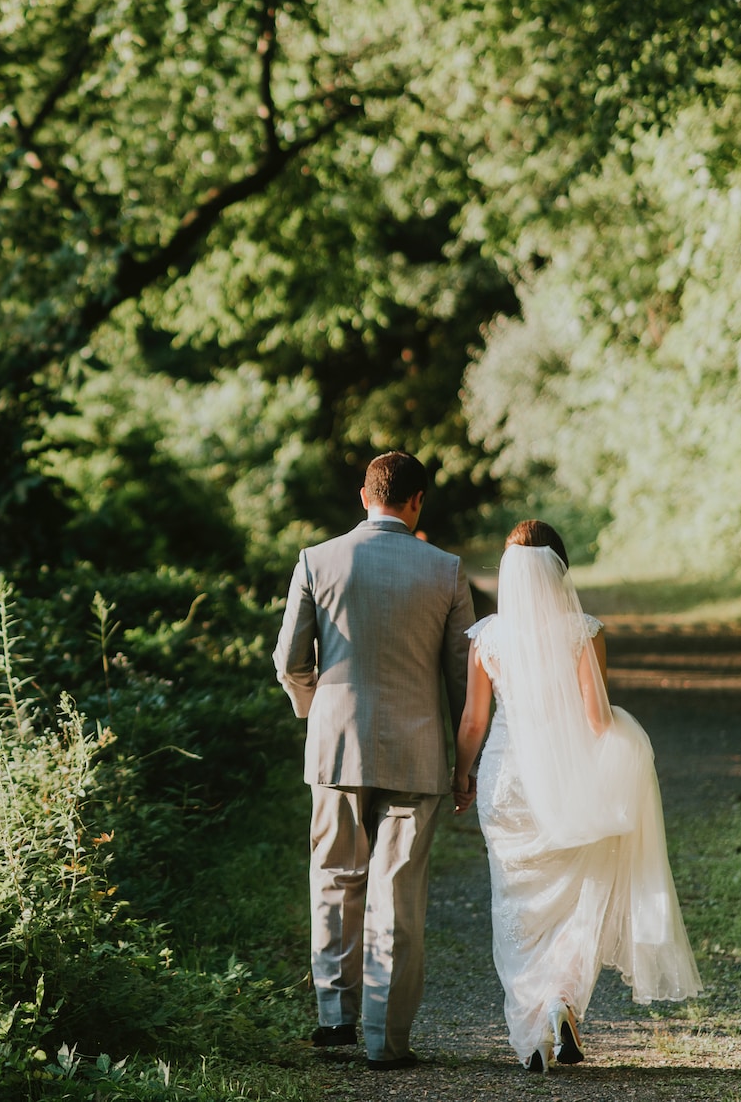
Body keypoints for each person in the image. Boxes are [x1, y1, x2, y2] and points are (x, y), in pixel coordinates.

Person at [453, 521, 702, 1073]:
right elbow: (595, 720)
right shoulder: (583, 631)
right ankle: (560, 1002)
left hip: (506, 781)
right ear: (561, 570)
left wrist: (461, 776)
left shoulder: (488, 636)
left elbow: (474, 720)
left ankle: (533, 1028)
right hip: (565, 780)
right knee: (576, 897)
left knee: (516, 904)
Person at [273, 451, 474, 1070]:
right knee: (398, 892)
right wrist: (464, 764)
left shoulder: (316, 560)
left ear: (365, 495)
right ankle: (386, 1040)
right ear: (418, 503)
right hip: (417, 753)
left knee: (335, 879)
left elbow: (289, 661)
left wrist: (316, 709)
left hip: (335, 746)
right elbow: (463, 681)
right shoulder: (446, 570)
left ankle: (335, 1022)